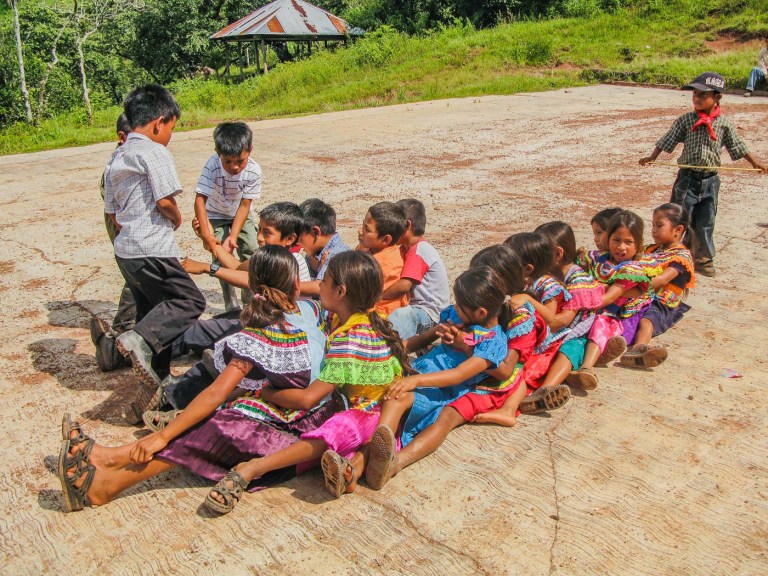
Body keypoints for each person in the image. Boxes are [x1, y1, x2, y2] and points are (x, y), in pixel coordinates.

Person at [56, 246, 337, 513]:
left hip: (298, 436)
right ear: (297, 285)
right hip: (318, 417)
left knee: (221, 424)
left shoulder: (257, 337)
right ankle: (114, 456)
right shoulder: (312, 312)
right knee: (220, 412)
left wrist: (163, 436)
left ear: (251, 286)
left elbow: (217, 392)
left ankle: (111, 481)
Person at [198, 251, 410, 512]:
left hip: (366, 410)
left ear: (341, 292)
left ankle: (251, 468)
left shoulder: (351, 339)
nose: (318, 286)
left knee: (332, 431)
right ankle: (356, 467)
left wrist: (268, 393)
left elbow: (309, 397)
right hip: (367, 407)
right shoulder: (349, 318)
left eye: (324, 281)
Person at [103, 84, 206, 423]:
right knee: (189, 301)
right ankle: (135, 338)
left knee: (155, 313)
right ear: (159, 122)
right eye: (172, 129)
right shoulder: (154, 152)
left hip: (127, 251)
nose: (170, 136)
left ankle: (157, 389)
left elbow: (114, 214)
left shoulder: (116, 156)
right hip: (153, 247)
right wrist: (176, 218)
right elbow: (165, 201)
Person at [360, 265, 513, 490]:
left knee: (397, 399)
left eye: (460, 305)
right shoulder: (458, 317)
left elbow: (458, 374)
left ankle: (387, 459)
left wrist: (415, 381)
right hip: (421, 370)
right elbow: (425, 338)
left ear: (480, 312)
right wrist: (392, 350)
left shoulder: (492, 342)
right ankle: (371, 456)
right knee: (379, 393)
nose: (454, 308)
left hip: (441, 390)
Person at [639, 71, 767, 277]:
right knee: (678, 218)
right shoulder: (686, 120)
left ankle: (703, 259)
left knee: (706, 221)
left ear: (717, 97)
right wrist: (652, 157)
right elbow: (667, 139)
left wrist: (755, 163)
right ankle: (669, 256)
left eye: (703, 95)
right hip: (687, 179)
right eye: (695, 94)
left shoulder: (723, 124)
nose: (697, 99)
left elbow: (738, 146)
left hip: (710, 181)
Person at [568, 210, 662, 389]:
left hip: (611, 314)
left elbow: (608, 298)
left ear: (638, 245)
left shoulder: (630, 269)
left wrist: (579, 300)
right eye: (616, 240)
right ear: (608, 239)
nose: (621, 247)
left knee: (599, 325)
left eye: (628, 242)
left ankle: (586, 368)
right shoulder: (596, 259)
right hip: (592, 305)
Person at [518, 222, 605, 405]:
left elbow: (565, 320)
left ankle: (544, 391)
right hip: (552, 328)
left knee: (569, 352)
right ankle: (567, 376)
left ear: (558, 254)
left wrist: (532, 322)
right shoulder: (550, 275)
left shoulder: (578, 279)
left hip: (575, 332)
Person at [194, 122, 262, 311]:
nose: (234, 167)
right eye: (228, 162)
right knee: (220, 253)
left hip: (240, 214)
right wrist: (207, 236)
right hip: (215, 214)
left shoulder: (254, 171)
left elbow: (245, 205)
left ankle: (249, 296)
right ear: (218, 152)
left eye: (240, 161)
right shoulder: (212, 166)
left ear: (250, 150)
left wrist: (233, 235)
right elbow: (200, 199)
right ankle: (229, 299)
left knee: (251, 250)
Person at [620, 203, 694, 367]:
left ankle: (640, 348)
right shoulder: (652, 248)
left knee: (648, 321)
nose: (653, 230)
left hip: (662, 301)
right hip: (644, 295)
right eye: (653, 225)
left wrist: (628, 290)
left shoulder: (681, 257)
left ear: (678, 230)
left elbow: (661, 281)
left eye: (659, 225)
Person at [90, 113, 135, 372]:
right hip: (126, 230)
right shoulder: (117, 166)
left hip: (132, 230)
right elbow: (114, 213)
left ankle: (120, 340)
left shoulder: (130, 158)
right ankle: (118, 341)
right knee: (137, 279)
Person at [387, 198, 451, 339]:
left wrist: (378, 296)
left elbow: (404, 285)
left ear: (407, 225)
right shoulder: (406, 249)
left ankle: (391, 351)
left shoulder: (419, 250)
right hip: (420, 309)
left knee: (402, 317)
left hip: (430, 313)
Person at [356, 201, 409, 315]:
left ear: (385, 240)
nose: (360, 231)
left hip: (380, 316)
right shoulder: (369, 249)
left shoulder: (384, 261)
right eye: (363, 225)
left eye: (367, 229)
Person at [297, 198, 350, 297]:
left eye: (300, 237)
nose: (297, 242)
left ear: (315, 232)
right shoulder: (314, 253)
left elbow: (320, 287)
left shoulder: (337, 254)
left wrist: (283, 286)